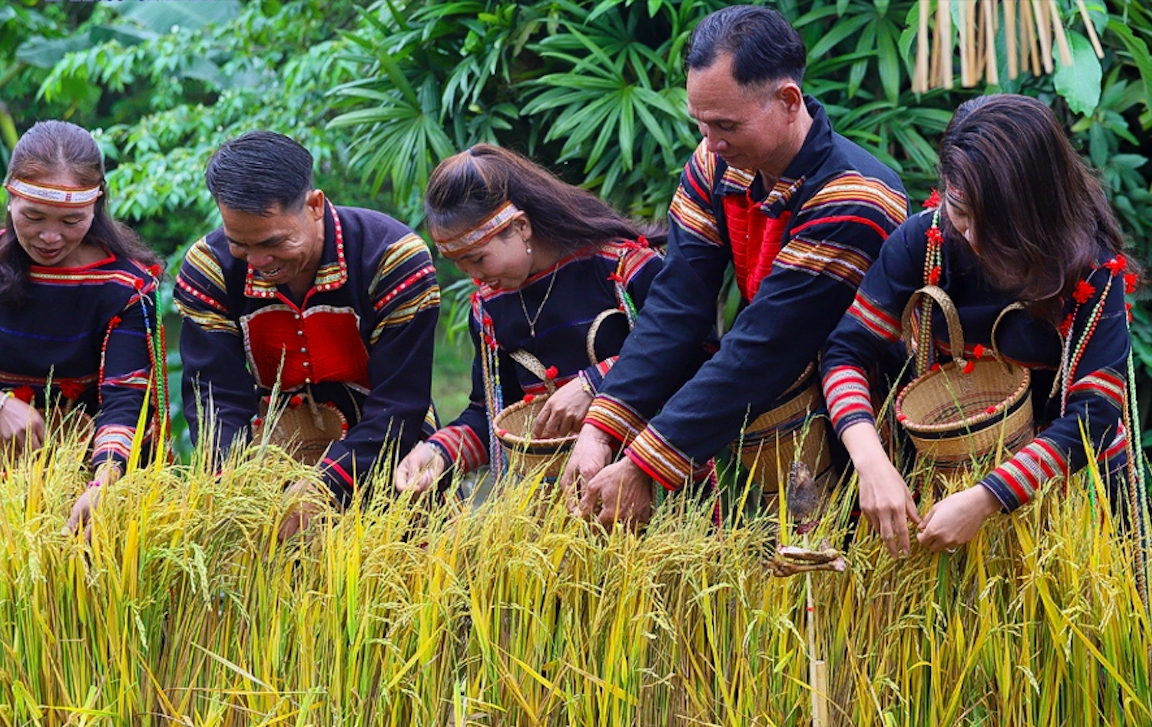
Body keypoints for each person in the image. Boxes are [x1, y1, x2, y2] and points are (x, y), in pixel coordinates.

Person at [560, 5, 908, 526]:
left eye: (726, 125)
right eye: (700, 123)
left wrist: (643, 463)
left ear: (788, 101)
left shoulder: (856, 196)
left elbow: (767, 341)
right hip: (758, 407)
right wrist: (601, 428)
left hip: (853, 414)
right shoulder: (714, 163)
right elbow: (677, 304)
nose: (710, 142)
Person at [821, 94, 1139, 558]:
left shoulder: (1090, 271)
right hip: (939, 482)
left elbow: (1095, 417)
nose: (969, 236)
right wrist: (871, 462)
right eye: (960, 211)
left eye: (992, 225)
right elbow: (845, 353)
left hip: (1065, 498)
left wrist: (986, 497)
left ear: (1035, 214)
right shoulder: (924, 242)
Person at [174, 131, 439, 540]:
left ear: (315, 205)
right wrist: (236, 485)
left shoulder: (394, 258)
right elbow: (215, 397)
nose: (258, 262)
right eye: (240, 245)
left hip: (388, 446)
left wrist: (326, 484)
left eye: (273, 243)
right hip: (272, 448)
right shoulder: (208, 269)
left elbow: (400, 400)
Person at [394, 144, 663, 493]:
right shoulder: (489, 309)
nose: (476, 279)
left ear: (520, 226)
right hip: (558, 506)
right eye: (462, 268)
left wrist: (594, 384)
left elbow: (688, 351)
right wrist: (438, 451)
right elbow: (493, 414)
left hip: (654, 483)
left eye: (478, 260)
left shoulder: (623, 267)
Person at [0, 120, 164, 534]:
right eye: (33, 216)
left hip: (87, 481)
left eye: (72, 221)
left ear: (96, 205)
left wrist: (103, 482)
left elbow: (127, 400)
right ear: (10, 196)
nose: (50, 236)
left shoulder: (127, 286)